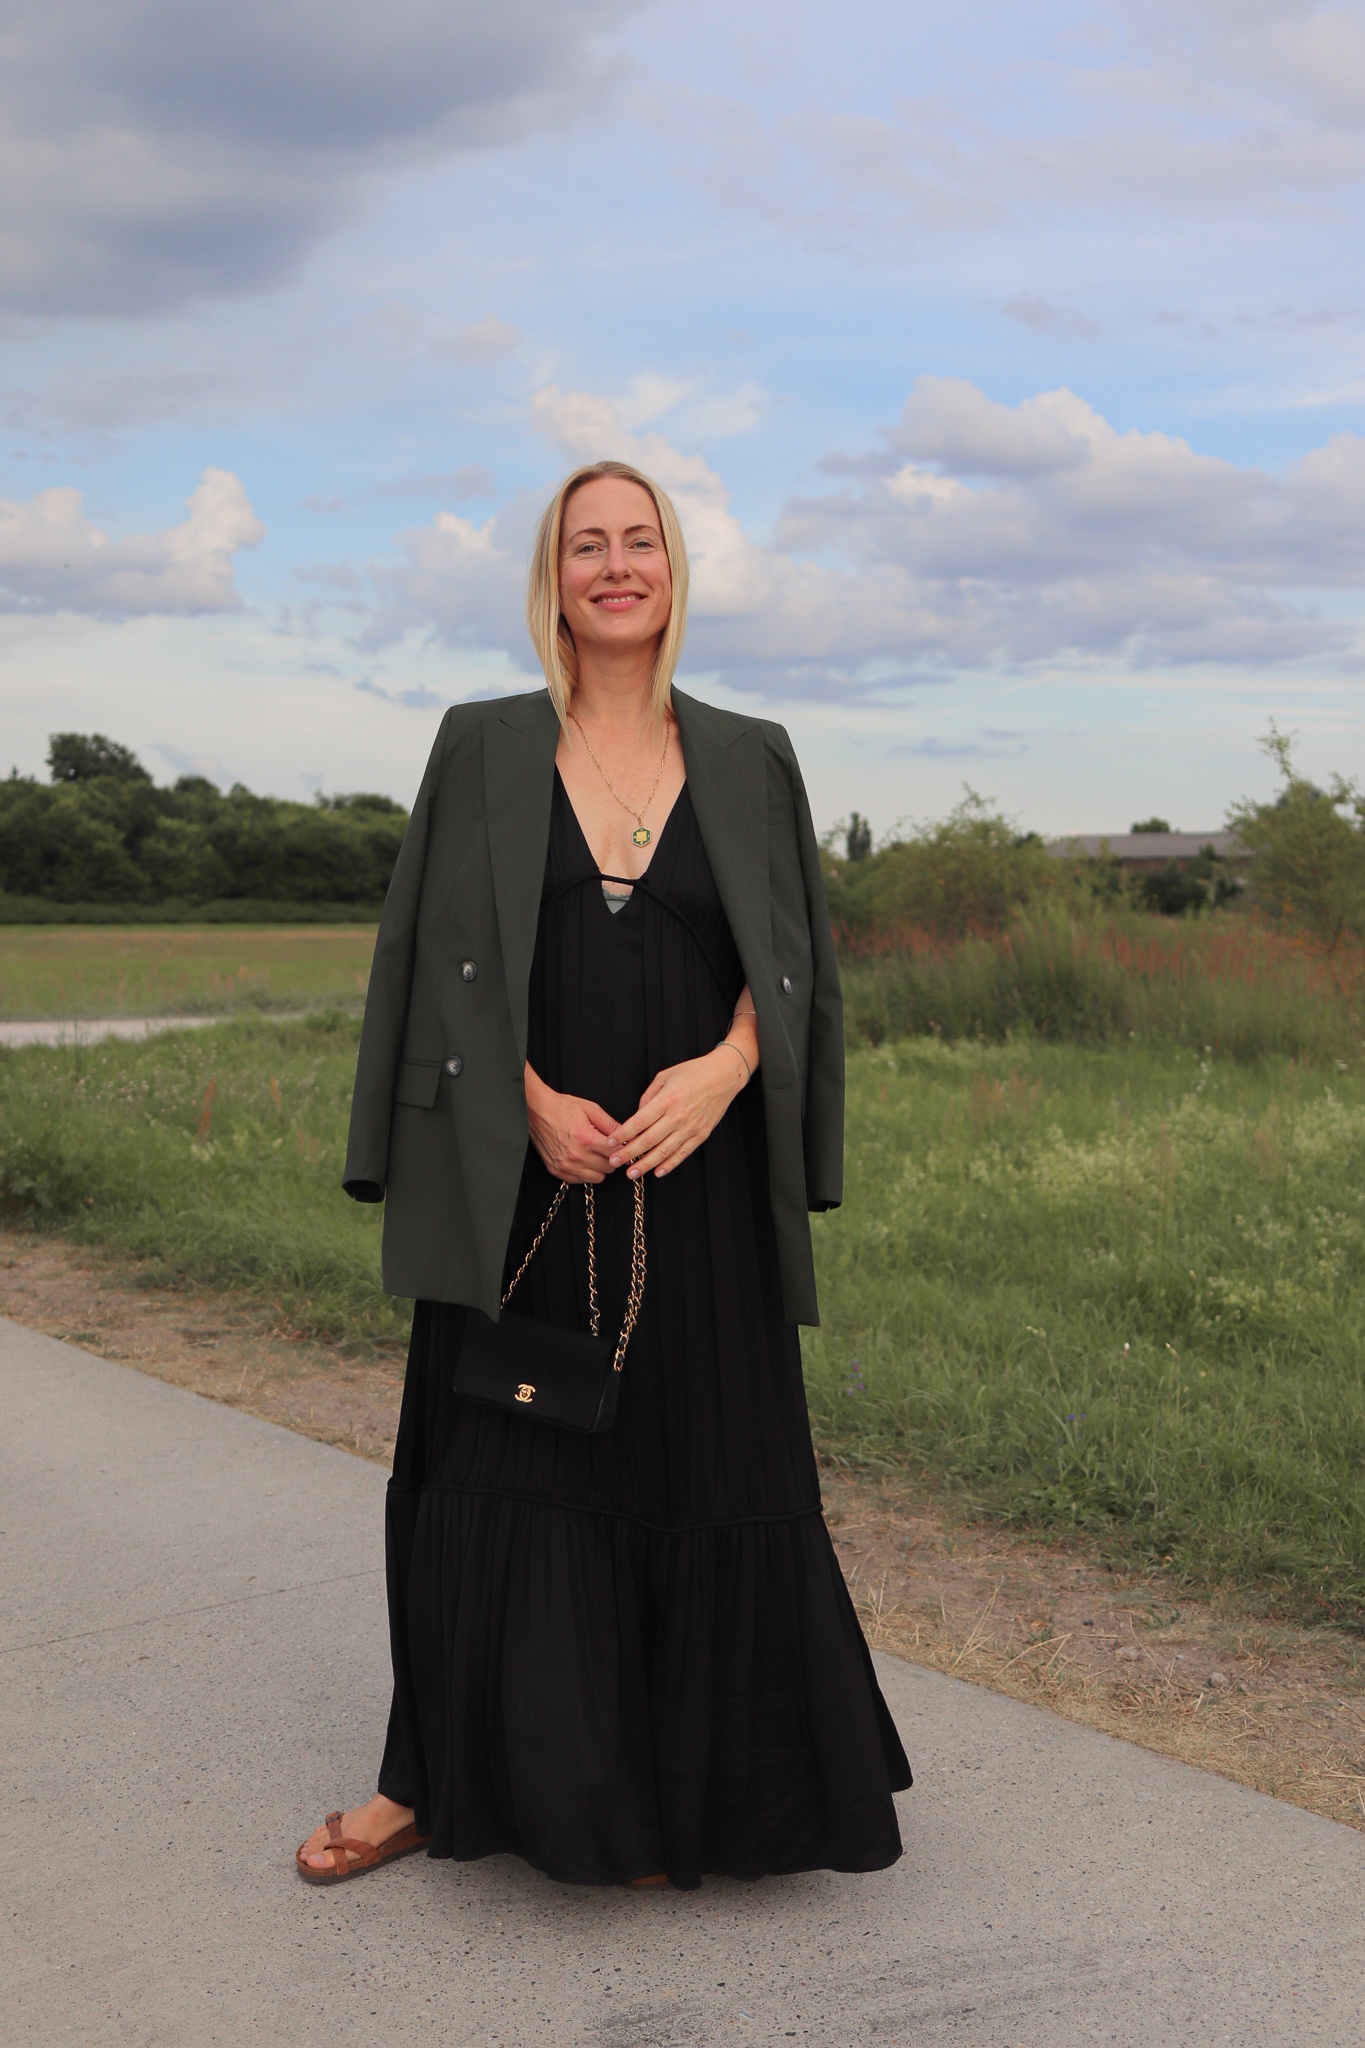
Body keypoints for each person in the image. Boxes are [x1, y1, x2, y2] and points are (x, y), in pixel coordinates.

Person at [296, 459, 911, 1890]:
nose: (616, 566)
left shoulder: (752, 755)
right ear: (553, 578)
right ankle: (423, 1782)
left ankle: (667, 1804)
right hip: (523, 1183)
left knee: (699, 1470)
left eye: (641, 542)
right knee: (490, 1471)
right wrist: (522, 1102)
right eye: (589, 545)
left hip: (699, 1186)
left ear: (673, 571)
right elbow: (424, 956)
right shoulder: (482, 744)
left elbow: (793, 961)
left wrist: (727, 1069)